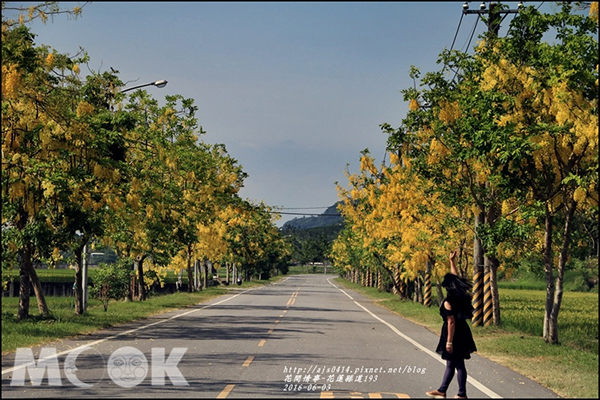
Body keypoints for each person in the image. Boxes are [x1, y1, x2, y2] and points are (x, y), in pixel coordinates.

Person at [426, 250, 477, 399]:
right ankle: (442, 390)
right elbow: (456, 279)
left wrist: (449, 341)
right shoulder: (460, 295)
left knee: (458, 364)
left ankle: (462, 394)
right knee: (451, 363)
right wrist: (452, 262)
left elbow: (451, 322)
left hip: (454, 334)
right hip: (463, 331)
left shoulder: (449, 302)